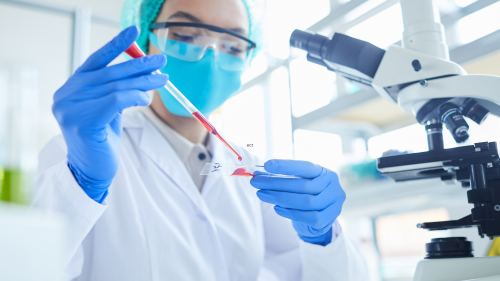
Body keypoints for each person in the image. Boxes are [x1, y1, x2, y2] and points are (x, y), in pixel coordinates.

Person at [33, 0, 369, 280]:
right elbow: (24, 266)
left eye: (233, 45)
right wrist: (82, 186)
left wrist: (324, 238)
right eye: (186, 34)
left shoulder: (248, 166)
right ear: (147, 42)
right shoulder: (78, 153)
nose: (210, 55)